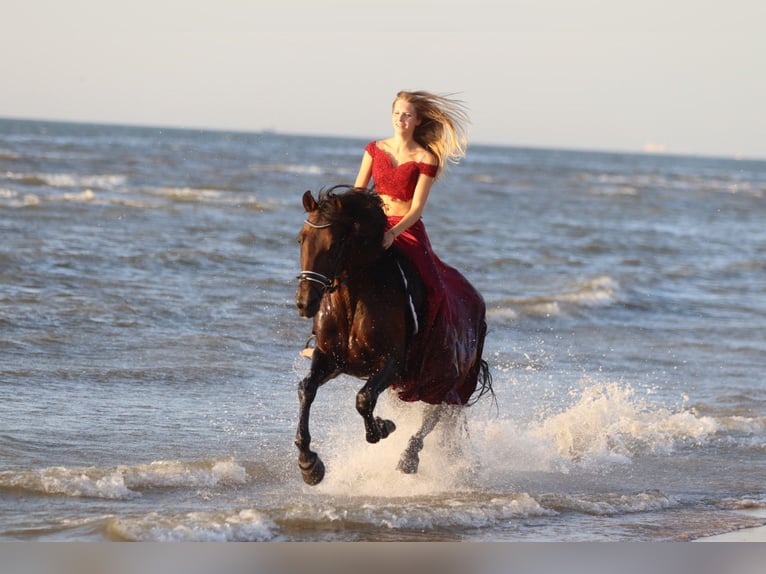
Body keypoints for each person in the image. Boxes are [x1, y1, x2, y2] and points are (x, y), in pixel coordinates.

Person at [303, 91, 481, 405]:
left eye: (408, 115)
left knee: (434, 289)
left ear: (418, 120)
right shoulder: (375, 149)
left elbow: (416, 209)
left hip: (406, 230)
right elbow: (358, 191)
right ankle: (320, 341)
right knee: (332, 270)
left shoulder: (427, 159)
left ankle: (419, 353)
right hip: (371, 227)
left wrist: (392, 234)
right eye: (398, 113)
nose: (401, 119)